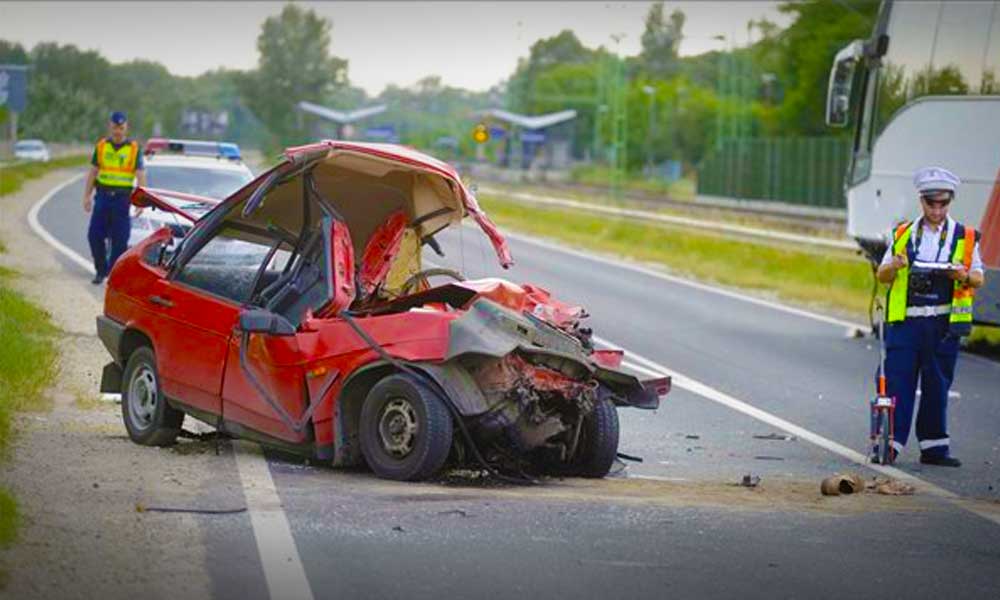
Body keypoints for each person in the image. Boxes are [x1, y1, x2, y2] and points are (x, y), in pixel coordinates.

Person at [875, 166, 984, 467]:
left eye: (943, 203)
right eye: (931, 203)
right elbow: (882, 275)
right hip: (906, 323)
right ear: (921, 201)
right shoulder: (902, 234)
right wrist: (895, 265)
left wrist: (961, 275)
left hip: (942, 324)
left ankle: (935, 448)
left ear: (950, 201)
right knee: (896, 382)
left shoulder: (965, 236)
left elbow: (978, 277)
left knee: (937, 385)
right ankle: (888, 445)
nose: (937, 210)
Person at [82, 111, 146, 284]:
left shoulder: (133, 149)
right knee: (94, 235)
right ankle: (100, 270)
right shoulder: (102, 146)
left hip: (122, 199)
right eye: (115, 127)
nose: (118, 131)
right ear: (110, 127)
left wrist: (142, 201)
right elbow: (93, 172)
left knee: (120, 239)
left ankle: (111, 272)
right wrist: (87, 196)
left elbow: (140, 175)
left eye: (121, 128)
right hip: (103, 197)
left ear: (126, 128)